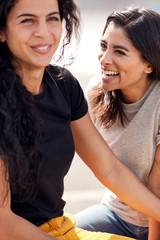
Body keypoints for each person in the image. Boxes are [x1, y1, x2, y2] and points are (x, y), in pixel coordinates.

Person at [0, 1, 160, 239]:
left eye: (52, 18)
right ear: (2, 31)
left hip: (60, 227)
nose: (43, 31)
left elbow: (110, 169)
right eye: (27, 20)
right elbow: (3, 223)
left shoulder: (64, 86)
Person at [75, 6, 160, 240]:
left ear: (149, 64)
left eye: (119, 52)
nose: (104, 59)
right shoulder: (95, 92)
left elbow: (157, 187)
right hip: (116, 214)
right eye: (104, 46)